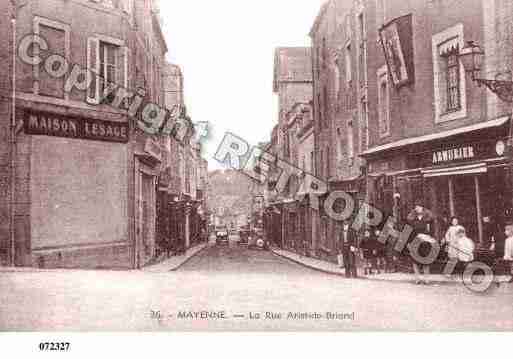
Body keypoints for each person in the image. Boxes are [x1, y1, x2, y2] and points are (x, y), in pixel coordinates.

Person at [407, 202, 435, 285]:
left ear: (423, 208)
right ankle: (417, 278)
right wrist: (408, 242)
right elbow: (408, 231)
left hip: (425, 242)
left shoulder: (428, 219)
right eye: (416, 207)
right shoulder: (411, 219)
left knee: (426, 260)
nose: (417, 209)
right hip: (414, 241)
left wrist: (431, 239)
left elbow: (432, 231)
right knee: (415, 261)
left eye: (419, 207)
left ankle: (426, 279)